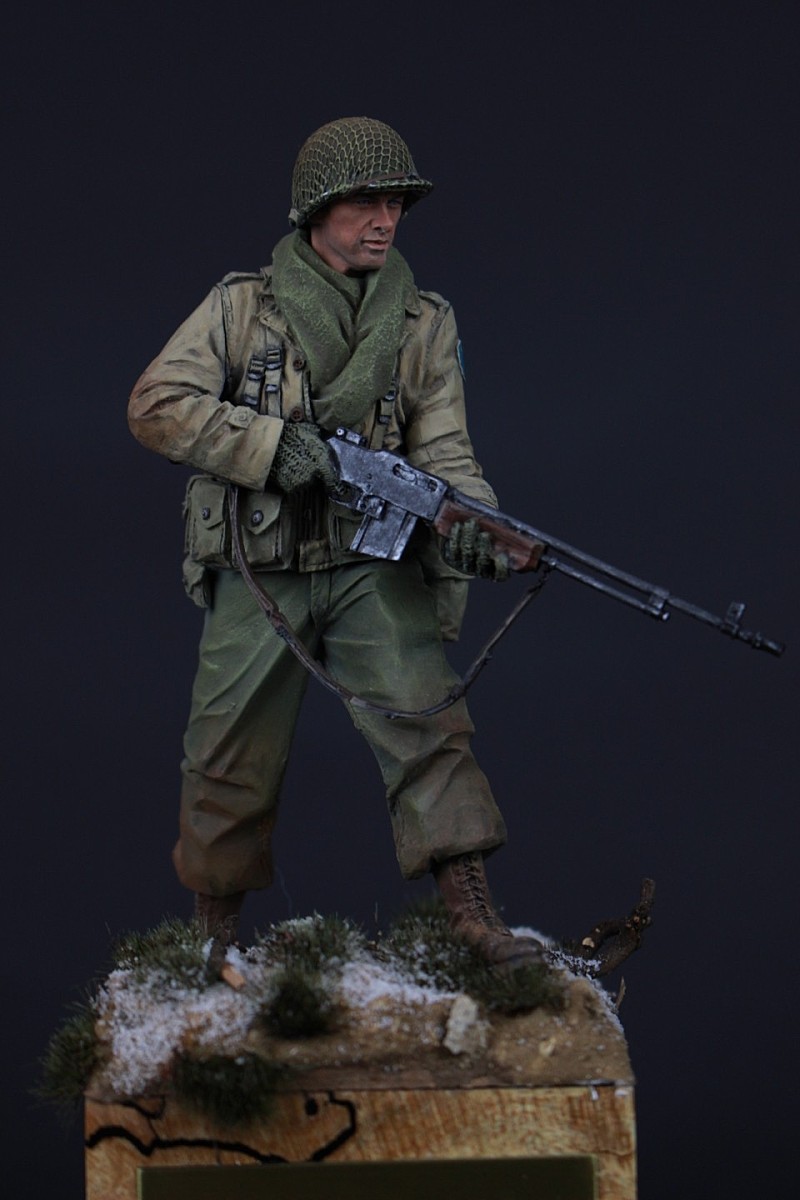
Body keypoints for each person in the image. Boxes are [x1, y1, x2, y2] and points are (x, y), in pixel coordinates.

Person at [128, 117, 541, 971]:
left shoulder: (422, 321)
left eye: (396, 203)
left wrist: (475, 526)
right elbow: (157, 404)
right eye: (365, 202)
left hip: (369, 562)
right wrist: (270, 447)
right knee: (227, 751)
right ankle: (213, 937)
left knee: (429, 721)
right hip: (263, 564)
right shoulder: (242, 308)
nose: (385, 220)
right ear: (317, 209)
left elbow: (446, 452)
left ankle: (472, 915)